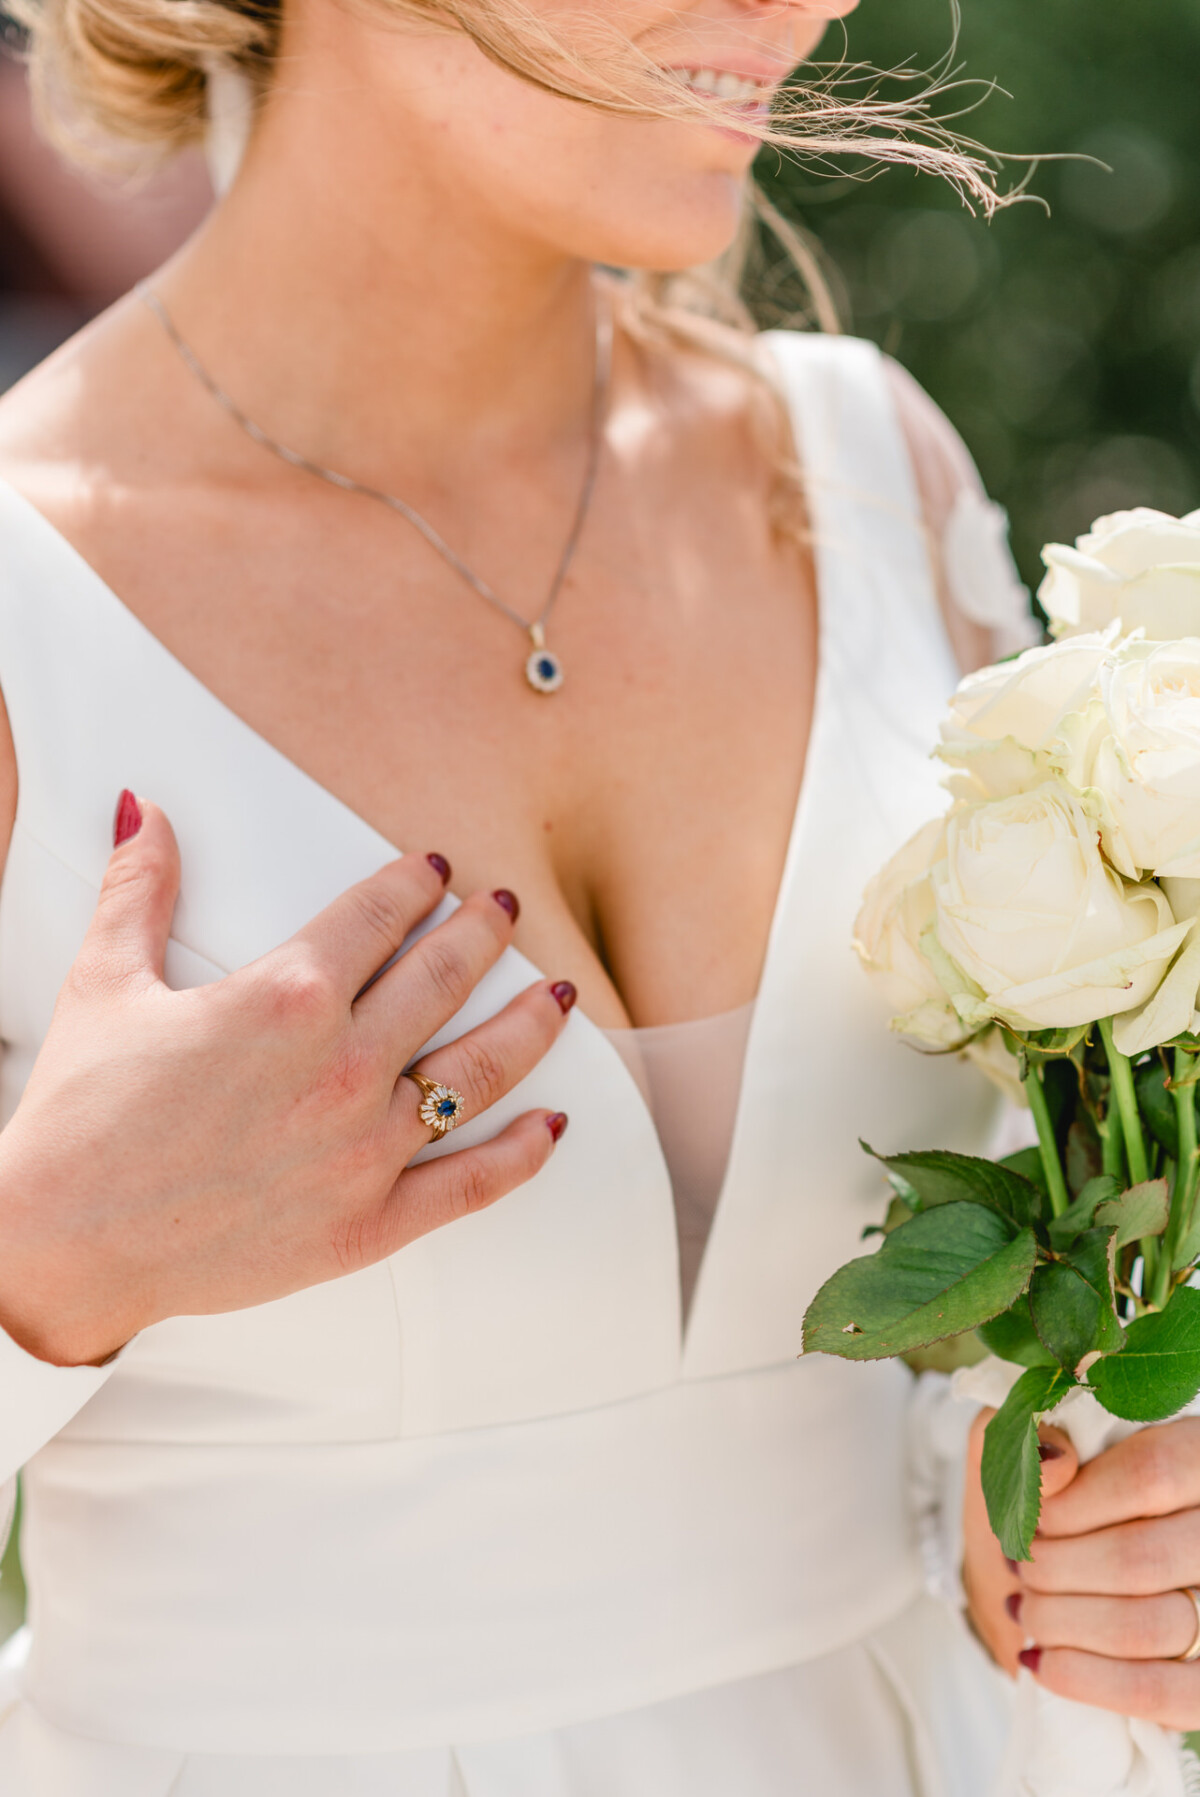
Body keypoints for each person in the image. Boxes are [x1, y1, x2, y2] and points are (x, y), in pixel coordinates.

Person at [1, 2, 1198, 1792]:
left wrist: (1073, 1511)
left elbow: (986, 1328)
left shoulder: (871, 473)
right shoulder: (31, 602)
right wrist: (47, 1260)